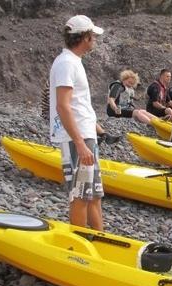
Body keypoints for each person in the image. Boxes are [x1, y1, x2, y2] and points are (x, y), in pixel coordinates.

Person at [49, 15, 105, 230]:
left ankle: (100, 240)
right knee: (80, 194)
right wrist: (80, 143)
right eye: (94, 36)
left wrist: (96, 128)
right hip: (77, 139)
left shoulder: (73, 62)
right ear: (86, 37)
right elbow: (63, 106)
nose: (95, 40)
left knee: (94, 194)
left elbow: (79, 103)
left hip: (86, 135)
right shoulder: (66, 63)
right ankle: (80, 247)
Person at [42, 78, 120, 145]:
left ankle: (104, 135)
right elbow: (59, 105)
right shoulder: (56, 83)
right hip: (51, 114)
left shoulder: (61, 81)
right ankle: (91, 138)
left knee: (83, 115)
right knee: (77, 116)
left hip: (59, 111)